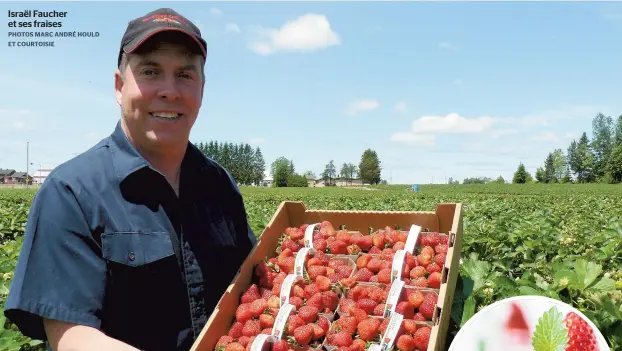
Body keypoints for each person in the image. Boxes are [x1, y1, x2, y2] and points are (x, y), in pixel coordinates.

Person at [4, 7, 258, 351]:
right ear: (119, 86)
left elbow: (254, 290)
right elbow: (71, 336)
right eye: (150, 71)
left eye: (185, 74)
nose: (170, 90)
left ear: (202, 87)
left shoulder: (220, 186)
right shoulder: (72, 192)